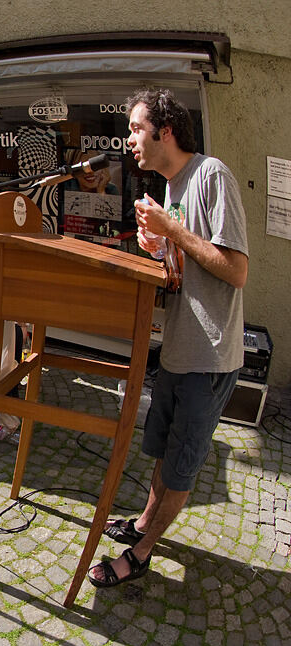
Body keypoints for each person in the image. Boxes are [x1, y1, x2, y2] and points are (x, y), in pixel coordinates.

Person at [87, 88, 249, 589]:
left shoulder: (210, 175)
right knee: (162, 451)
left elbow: (236, 269)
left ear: (166, 130)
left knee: (180, 466)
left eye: (136, 128)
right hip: (178, 348)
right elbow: (186, 274)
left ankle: (141, 552)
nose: (129, 138)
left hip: (209, 355)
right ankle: (142, 522)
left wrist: (172, 233)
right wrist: (160, 248)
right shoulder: (173, 188)